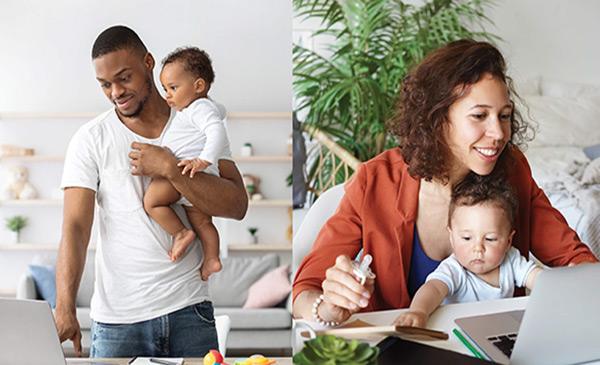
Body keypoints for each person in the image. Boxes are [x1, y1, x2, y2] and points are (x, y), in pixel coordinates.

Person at [292, 39, 598, 325]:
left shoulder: (513, 171)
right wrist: (328, 307)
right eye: (479, 116)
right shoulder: (376, 180)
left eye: (504, 116)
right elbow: (304, 291)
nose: (499, 133)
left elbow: (574, 260)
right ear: (437, 119)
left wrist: (580, 284)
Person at [54, 25, 248, 358]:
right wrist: (65, 307)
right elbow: (75, 227)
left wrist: (171, 168)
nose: (116, 91)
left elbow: (237, 204)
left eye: (124, 78)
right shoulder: (91, 138)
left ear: (148, 62)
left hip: (189, 309)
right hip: (118, 322)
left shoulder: (199, 123)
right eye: (105, 84)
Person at [395, 174, 542, 328]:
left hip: (496, 331)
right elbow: (434, 289)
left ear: (508, 241)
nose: (478, 248)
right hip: (456, 334)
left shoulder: (511, 260)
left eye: (490, 239)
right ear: (451, 237)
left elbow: (538, 278)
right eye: (466, 238)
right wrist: (419, 311)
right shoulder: (455, 269)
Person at [144, 47, 229, 281]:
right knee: (203, 221)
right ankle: (212, 258)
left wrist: (204, 160)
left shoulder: (198, 108)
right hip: (197, 176)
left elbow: (216, 130)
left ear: (198, 86)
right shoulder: (205, 107)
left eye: (173, 88)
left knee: (152, 202)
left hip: (186, 172)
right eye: (165, 89)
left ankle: (180, 233)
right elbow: (220, 114)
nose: (167, 95)